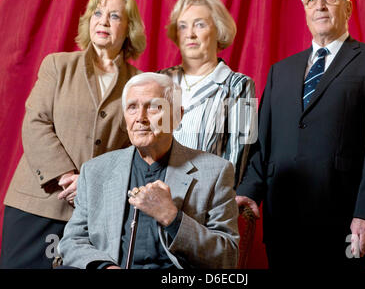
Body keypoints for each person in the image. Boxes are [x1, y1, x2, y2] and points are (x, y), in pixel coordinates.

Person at [236, 0, 365, 268]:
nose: (320, 6)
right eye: (311, 0)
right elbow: (263, 143)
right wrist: (250, 190)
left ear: (348, 8)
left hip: (341, 223)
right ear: (305, 11)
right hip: (282, 223)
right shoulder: (281, 71)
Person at [0, 0, 146, 269]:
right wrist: (67, 176)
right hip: (37, 204)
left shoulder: (139, 84)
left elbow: (135, 150)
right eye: (97, 13)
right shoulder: (57, 65)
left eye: (115, 16)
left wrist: (90, 184)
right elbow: (36, 122)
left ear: (130, 29)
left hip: (94, 216)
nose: (103, 21)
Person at [57, 73, 239, 269]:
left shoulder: (215, 172)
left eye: (154, 107)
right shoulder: (95, 171)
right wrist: (104, 267)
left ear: (178, 116)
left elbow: (227, 257)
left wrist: (172, 218)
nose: (140, 118)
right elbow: (72, 241)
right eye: (132, 107)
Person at [159, 0, 256, 187]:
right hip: (154, 193)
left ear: (219, 30)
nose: (190, 34)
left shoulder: (240, 85)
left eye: (200, 24)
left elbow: (238, 157)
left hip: (206, 201)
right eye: (183, 26)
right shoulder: (160, 81)